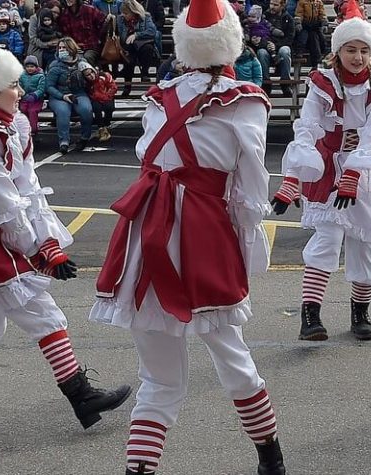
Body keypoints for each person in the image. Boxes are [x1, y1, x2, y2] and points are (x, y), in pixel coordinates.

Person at [88, 1, 285, 474]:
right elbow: (251, 184)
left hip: (142, 232)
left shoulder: (161, 96)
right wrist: (245, 238)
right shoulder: (246, 100)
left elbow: (150, 159)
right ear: (231, 43)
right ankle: (270, 458)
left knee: (159, 378)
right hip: (198, 233)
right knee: (233, 355)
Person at [0, 0, 131, 426]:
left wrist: (47, 244)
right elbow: (6, 203)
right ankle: (82, 398)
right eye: (12, 85)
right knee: (41, 311)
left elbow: (27, 190)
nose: (20, 90)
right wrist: (38, 251)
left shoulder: (6, 127)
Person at [272, 0, 371, 341]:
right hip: (328, 165)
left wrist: (354, 175)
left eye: (364, 50)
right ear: (338, 51)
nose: (358, 57)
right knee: (327, 238)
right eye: (351, 49)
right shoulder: (322, 81)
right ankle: (310, 316)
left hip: (366, 168)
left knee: (365, 241)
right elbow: (307, 126)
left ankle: (360, 312)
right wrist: (293, 179)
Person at [45, 37, 94, 153]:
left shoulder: (82, 62)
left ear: (71, 49)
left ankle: (84, 137)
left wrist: (90, 75)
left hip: (78, 93)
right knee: (63, 112)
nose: (61, 50)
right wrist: (62, 96)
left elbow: (91, 79)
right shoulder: (54, 65)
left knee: (86, 110)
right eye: (60, 48)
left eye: (64, 48)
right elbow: (49, 86)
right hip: (59, 95)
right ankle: (64, 141)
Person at [116, 0, 160, 97]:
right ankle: (127, 86)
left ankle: (145, 73)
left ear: (133, 12)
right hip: (127, 45)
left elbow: (152, 31)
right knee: (129, 58)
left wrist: (137, 35)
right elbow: (120, 35)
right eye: (122, 13)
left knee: (147, 49)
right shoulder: (120, 19)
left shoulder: (145, 17)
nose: (123, 15)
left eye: (126, 13)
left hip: (142, 43)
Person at [78, 61, 117, 142]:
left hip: (107, 97)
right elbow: (88, 93)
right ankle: (101, 128)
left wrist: (108, 96)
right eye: (88, 75)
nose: (91, 76)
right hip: (95, 100)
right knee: (96, 108)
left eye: (91, 72)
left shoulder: (104, 75)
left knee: (110, 107)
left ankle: (106, 124)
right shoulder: (86, 83)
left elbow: (113, 86)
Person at [265, 0, 295, 97]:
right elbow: (260, 32)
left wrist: (276, 46)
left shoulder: (288, 18)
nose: (272, 7)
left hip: (282, 45)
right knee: (261, 53)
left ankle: (285, 83)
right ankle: (265, 83)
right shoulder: (265, 16)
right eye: (271, 4)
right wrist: (267, 44)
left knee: (285, 51)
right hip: (267, 46)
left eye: (275, 5)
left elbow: (290, 38)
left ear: (282, 6)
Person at [18, 54, 46, 135]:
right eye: (28, 66)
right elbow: (19, 86)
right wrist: (23, 95)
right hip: (25, 98)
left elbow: (41, 89)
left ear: (36, 67)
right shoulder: (22, 76)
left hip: (36, 100)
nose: (30, 68)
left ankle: (33, 129)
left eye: (32, 66)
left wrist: (34, 95)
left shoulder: (41, 76)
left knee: (32, 111)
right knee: (23, 110)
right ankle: (24, 129)